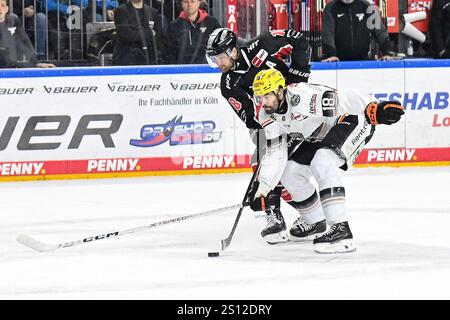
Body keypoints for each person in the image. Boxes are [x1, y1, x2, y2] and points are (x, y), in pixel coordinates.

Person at [248, 68, 404, 253]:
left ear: (280, 91)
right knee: (290, 173)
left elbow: (343, 98)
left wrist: (373, 108)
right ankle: (315, 221)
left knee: (323, 162)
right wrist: (263, 188)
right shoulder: (266, 116)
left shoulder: (302, 98)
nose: (263, 102)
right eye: (259, 97)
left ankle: (341, 231)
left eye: (267, 96)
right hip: (320, 134)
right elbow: (276, 153)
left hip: (352, 120)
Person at [205, 27, 311, 244]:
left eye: (220, 57)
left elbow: (300, 40)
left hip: (293, 113)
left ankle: (306, 215)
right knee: (262, 163)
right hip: (266, 123)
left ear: (233, 51)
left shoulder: (262, 44)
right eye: (214, 58)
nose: (218, 63)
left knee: (282, 169)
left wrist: (297, 78)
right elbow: (249, 118)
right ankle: (277, 214)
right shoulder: (228, 84)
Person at [321, 0, 392, 62]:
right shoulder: (330, 8)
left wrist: (386, 53)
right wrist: (331, 54)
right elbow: (327, 34)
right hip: (339, 62)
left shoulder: (367, 6)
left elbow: (380, 31)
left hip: (364, 61)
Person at [0, 0, 55, 68]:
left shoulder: (13, 20)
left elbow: (24, 43)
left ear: (6, 8)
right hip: (17, 14)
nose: (0, 9)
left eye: (2, 6)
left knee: (41, 18)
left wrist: (35, 63)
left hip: (27, 20)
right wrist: (21, 11)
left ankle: (40, 57)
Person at [165, 0, 220, 64]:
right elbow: (168, 53)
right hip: (181, 71)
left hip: (207, 70)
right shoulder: (174, 26)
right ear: (182, 4)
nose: (189, 4)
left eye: (192, 1)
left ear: (199, 2)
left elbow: (220, 46)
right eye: (186, 2)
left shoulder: (212, 22)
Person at [113, 0, 164, 65]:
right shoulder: (121, 11)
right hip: (128, 60)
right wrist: (150, 32)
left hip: (149, 59)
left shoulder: (153, 12)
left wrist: (137, 32)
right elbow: (128, 36)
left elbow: (158, 37)